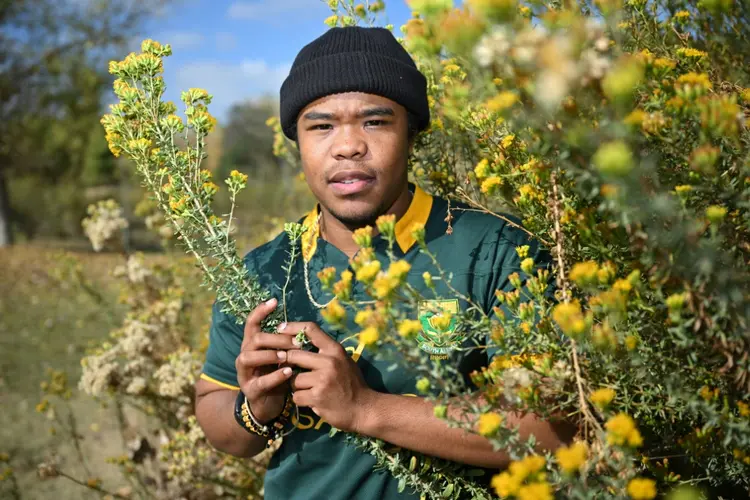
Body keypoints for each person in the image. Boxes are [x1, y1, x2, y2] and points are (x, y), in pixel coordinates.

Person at [195, 26, 571, 499]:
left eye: (375, 122)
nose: (348, 146)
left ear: (411, 133)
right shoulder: (263, 272)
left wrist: (366, 408)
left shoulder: (495, 249)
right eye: (321, 125)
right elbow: (215, 411)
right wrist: (255, 408)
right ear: (297, 142)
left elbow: (552, 430)